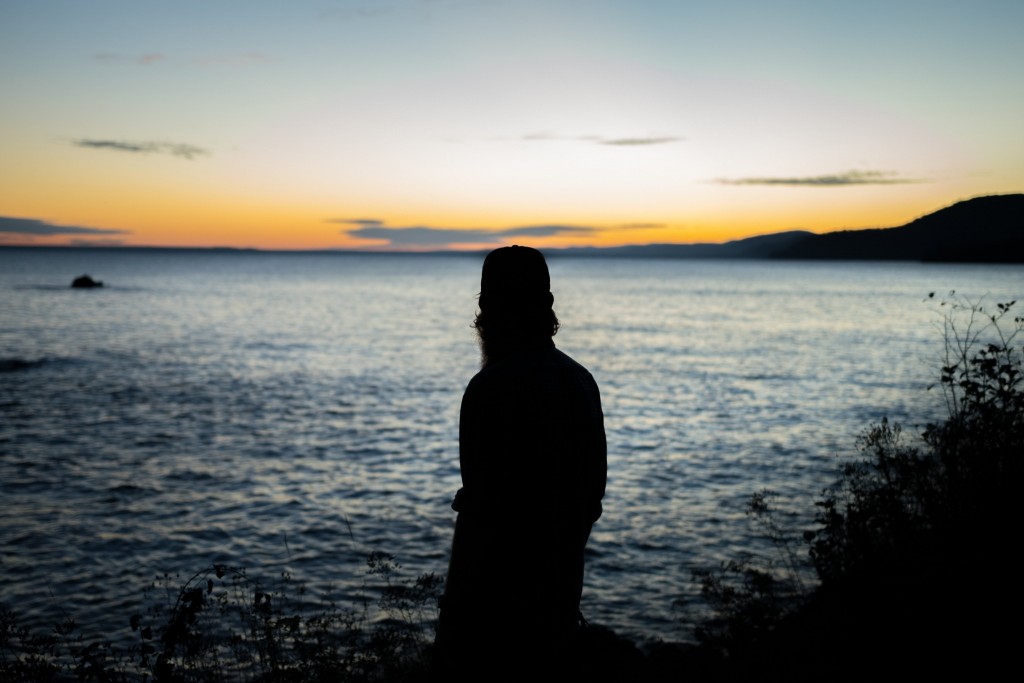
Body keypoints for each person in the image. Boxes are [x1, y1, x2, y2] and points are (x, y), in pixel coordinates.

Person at [435, 245, 607, 680]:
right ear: (547, 305)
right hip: (558, 612)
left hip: (493, 625)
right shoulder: (581, 382)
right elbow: (589, 504)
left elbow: (479, 518)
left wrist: (450, 630)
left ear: (485, 310)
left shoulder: (489, 389)